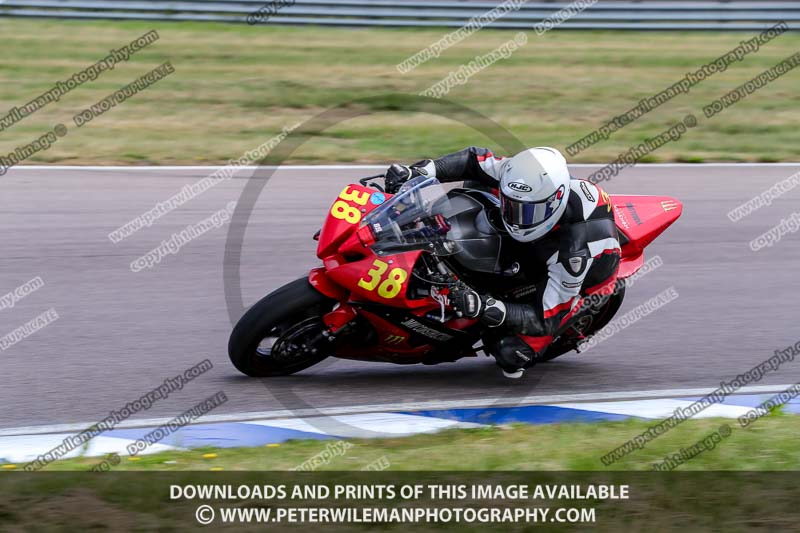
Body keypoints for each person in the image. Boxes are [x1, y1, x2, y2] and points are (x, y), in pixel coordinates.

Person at [384, 146, 621, 378]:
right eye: (511, 206)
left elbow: (544, 319)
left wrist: (487, 307)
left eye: (526, 212)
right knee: (475, 187)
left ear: (554, 203)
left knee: (510, 355)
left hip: (581, 281)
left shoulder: (574, 253)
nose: (515, 219)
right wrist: (422, 172)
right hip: (544, 237)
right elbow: (472, 160)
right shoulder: (520, 175)